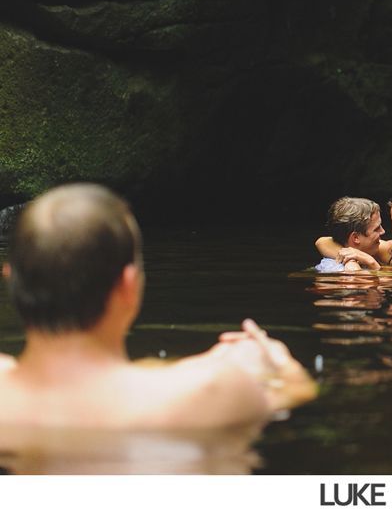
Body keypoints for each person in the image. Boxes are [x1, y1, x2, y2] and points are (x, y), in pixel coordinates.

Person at [0, 183, 317, 429]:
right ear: (128, 286)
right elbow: (297, 394)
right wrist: (280, 362)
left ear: (11, 279)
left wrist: (191, 366)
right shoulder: (211, 391)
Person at [314, 196, 386, 272]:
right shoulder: (337, 269)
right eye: (376, 229)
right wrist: (373, 264)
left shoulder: (365, 256)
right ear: (355, 238)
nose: (383, 231)